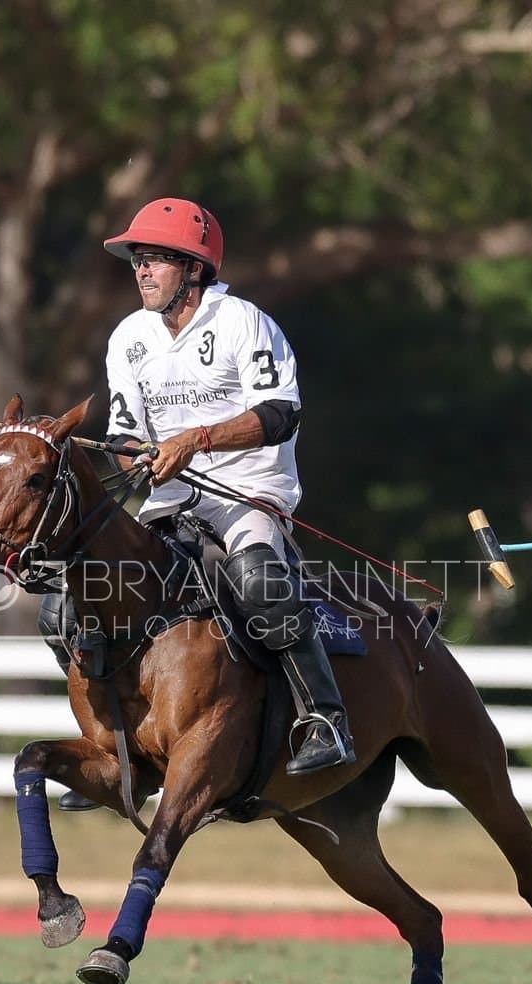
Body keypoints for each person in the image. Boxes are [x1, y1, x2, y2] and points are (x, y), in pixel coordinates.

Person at [98, 197, 355, 776]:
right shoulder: (128, 336)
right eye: (137, 259)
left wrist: (194, 441)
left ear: (194, 268)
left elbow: (280, 414)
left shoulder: (242, 320)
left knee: (259, 582)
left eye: (157, 259)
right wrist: (135, 454)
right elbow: (122, 432)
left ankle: (326, 719)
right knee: (90, 588)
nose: (141, 270)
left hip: (249, 490)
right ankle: (115, 743)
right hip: (169, 496)